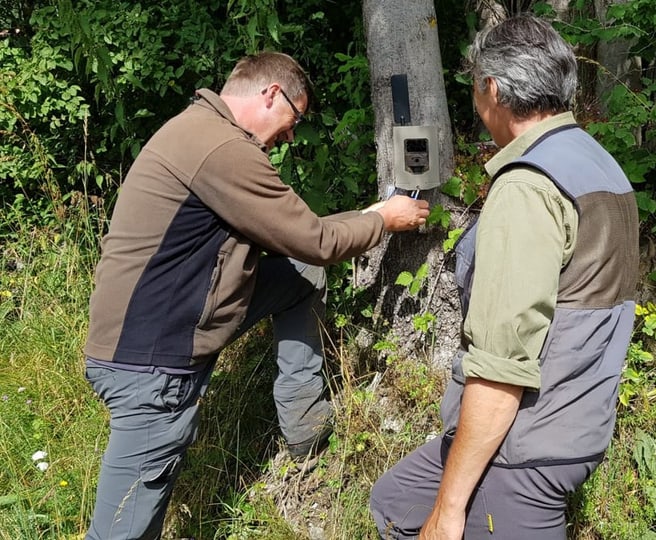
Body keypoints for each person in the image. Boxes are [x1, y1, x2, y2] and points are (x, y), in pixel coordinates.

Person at [82, 51, 429, 540]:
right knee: (122, 531)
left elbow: (300, 241)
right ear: (271, 94)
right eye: (295, 119)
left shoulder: (198, 131)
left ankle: (305, 429)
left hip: (165, 332)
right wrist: (383, 222)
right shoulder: (223, 151)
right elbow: (318, 240)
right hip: (151, 363)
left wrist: (369, 214)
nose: (291, 136)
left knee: (298, 274)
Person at [369, 14, 640, 540]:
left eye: (475, 88)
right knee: (395, 501)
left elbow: (501, 367)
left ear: (492, 89)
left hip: (524, 451)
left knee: (428, 517)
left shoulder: (528, 187)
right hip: (577, 425)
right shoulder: (597, 162)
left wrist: (449, 510)